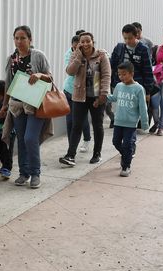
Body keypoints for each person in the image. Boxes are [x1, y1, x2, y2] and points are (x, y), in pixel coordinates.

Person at [0, 25, 53, 189]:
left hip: (35, 104)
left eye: (23, 38)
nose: (19, 41)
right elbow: (8, 83)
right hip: (17, 105)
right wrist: (4, 106)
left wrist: (39, 75)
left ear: (30, 39)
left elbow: (50, 78)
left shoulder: (38, 56)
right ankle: (24, 173)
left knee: (30, 138)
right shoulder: (12, 58)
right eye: (16, 38)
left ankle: (35, 173)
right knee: (21, 139)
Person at [59, 32, 111, 167]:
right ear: (79, 43)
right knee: (76, 125)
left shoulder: (101, 55)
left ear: (93, 41)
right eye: (82, 41)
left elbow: (106, 75)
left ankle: (97, 154)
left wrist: (103, 95)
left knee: (97, 125)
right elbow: (70, 72)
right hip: (79, 96)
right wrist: (78, 58)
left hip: (96, 96)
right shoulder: (76, 54)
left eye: (88, 41)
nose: (85, 44)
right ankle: (70, 155)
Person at [107, 62, 149, 177]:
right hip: (118, 121)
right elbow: (114, 98)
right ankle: (126, 155)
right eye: (119, 75)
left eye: (124, 74)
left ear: (132, 73)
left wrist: (145, 123)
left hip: (131, 124)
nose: (121, 77)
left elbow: (143, 107)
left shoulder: (138, 89)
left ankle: (126, 166)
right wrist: (104, 97)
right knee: (115, 142)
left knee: (127, 145)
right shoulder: (119, 86)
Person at [62, 33, 92, 154]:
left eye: (78, 47)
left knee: (82, 119)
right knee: (70, 121)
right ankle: (71, 147)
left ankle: (87, 139)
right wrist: (77, 57)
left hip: (81, 93)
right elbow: (71, 72)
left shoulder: (90, 55)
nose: (76, 49)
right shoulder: (70, 54)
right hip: (69, 90)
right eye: (74, 47)